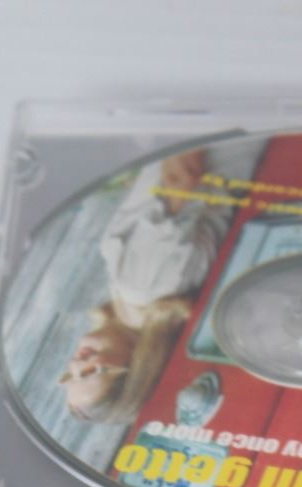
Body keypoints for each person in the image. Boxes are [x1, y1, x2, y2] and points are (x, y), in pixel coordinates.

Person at [62, 144, 259, 424]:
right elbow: (182, 177)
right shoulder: (143, 286)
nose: (77, 364)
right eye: (93, 373)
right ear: (135, 367)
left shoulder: (135, 300)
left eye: (70, 376)